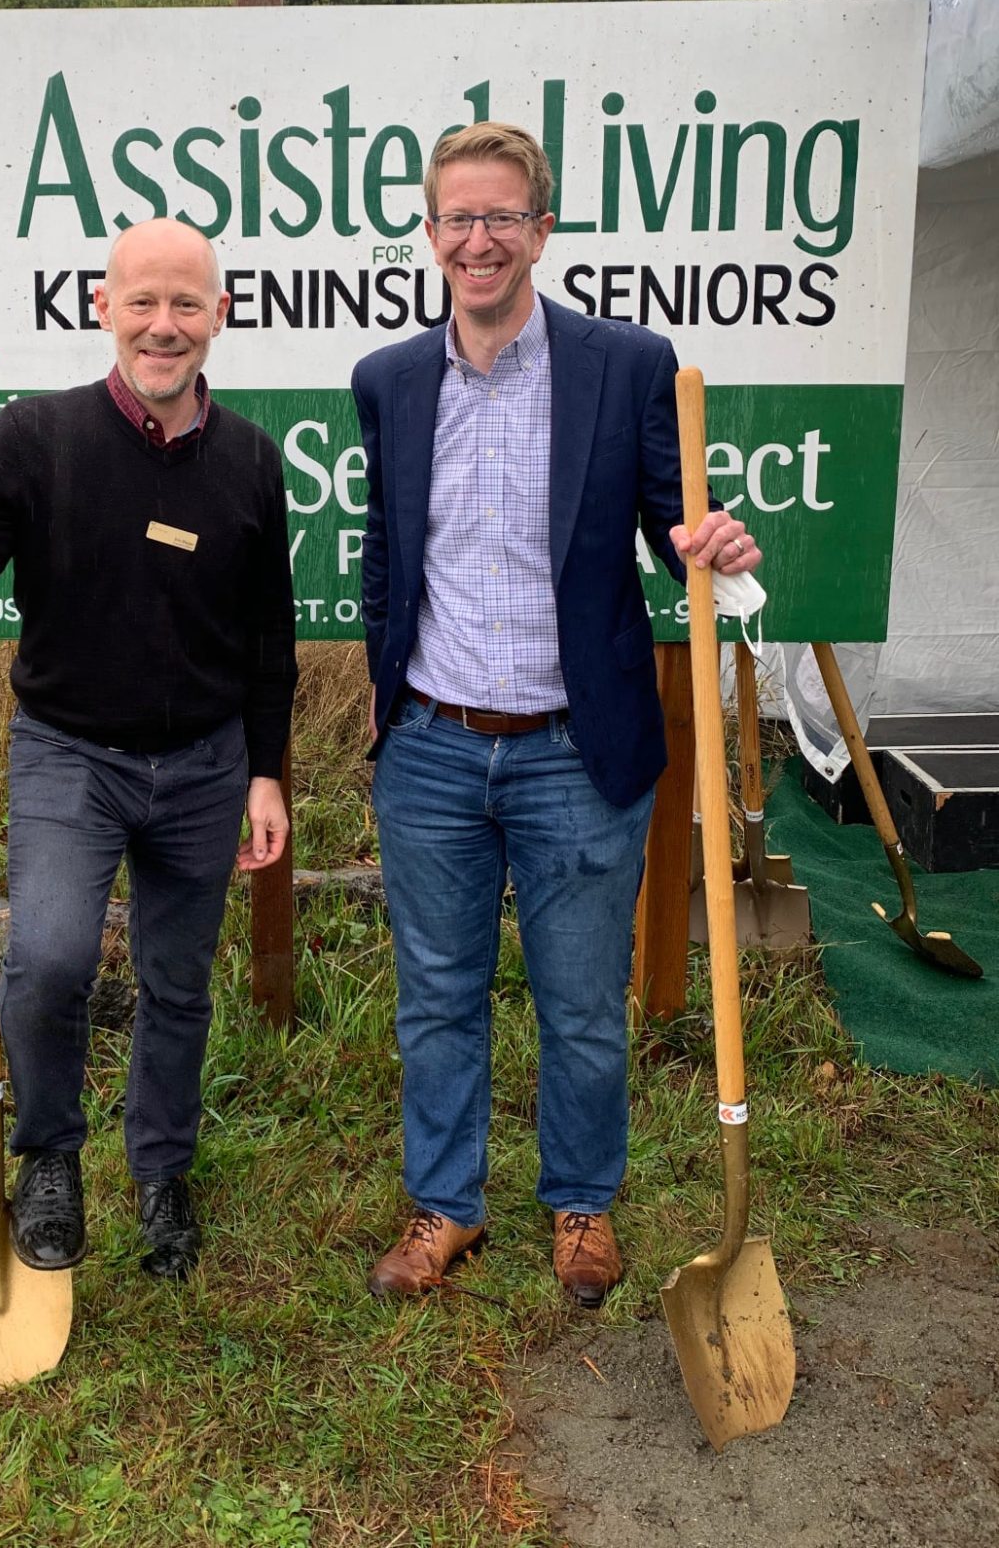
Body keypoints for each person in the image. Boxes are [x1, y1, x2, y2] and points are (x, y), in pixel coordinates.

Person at [350, 122, 761, 1308]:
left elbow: (674, 518)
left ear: (540, 229)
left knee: (582, 1003)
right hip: (430, 748)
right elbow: (388, 555)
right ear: (429, 236)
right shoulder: (389, 381)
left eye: (501, 217)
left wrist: (710, 540)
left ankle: (581, 1206)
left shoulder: (621, 365)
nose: (477, 241)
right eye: (455, 220)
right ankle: (446, 1207)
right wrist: (390, 706)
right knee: (436, 995)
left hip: (574, 754)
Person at [0, 217, 297, 1281]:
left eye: (186, 304)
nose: (164, 326)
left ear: (219, 315)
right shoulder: (35, 439)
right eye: (142, 302)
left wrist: (264, 773)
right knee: (49, 962)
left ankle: (162, 1175)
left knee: (177, 983)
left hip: (207, 767)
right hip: (71, 759)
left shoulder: (252, 461)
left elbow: (268, 641)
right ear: (101, 308)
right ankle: (50, 1160)